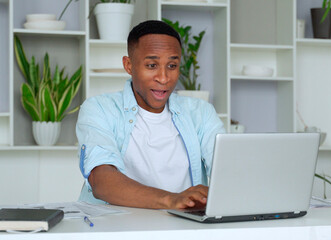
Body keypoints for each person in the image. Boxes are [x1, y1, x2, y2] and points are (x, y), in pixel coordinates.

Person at [76, 20, 225, 210]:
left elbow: (228, 171)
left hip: (185, 226)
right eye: (152, 65)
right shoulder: (99, 109)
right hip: (114, 227)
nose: (163, 78)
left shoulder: (201, 113)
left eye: (172, 66)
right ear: (129, 65)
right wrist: (171, 200)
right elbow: (102, 180)